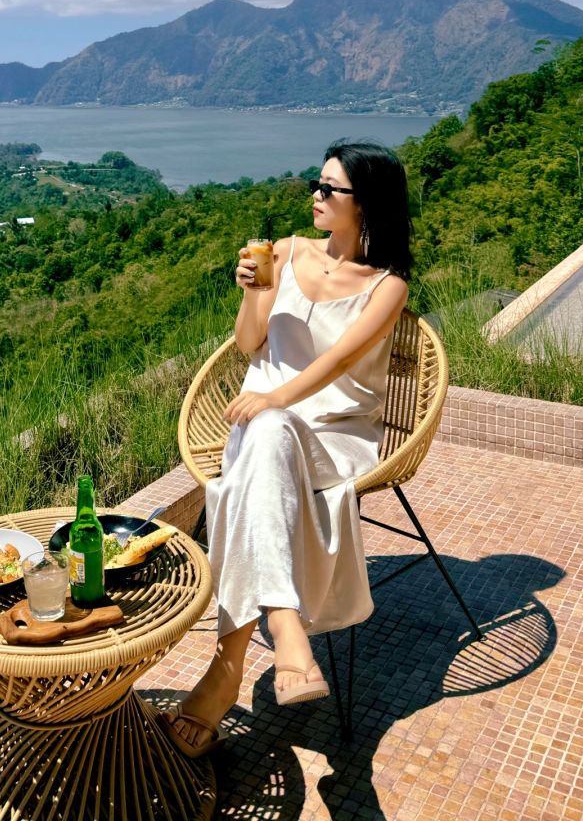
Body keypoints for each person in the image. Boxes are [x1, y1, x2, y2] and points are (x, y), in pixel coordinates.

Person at [159, 140, 412, 759]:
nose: (316, 197)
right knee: (267, 438)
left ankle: (229, 665)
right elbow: (250, 345)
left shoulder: (387, 286)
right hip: (260, 424)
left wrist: (279, 401)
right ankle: (285, 625)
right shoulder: (286, 252)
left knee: (269, 436)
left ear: (366, 203)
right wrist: (252, 291)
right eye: (316, 184)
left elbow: (341, 359)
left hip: (333, 437)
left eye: (330, 189)